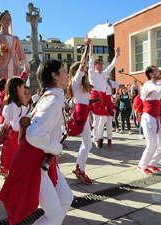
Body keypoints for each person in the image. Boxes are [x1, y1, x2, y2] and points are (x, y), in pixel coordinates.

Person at [0, 60, 73, 225]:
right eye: (63, 70)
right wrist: (57, 147)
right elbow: (34, 134)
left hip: (43, 158)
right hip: (35, 162)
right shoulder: (52, 101)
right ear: (54, 75)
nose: (67, 74)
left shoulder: (49, 98)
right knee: (53, 214)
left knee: (67, 198)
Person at [0, 10, 28, 131]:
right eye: (5, 19)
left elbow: (21, 55)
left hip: (15, 67)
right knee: (1, 96)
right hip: (1, 68)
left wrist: (25, 65)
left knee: (16, 92)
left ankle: (18, 121)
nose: (7, 21)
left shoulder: (15, 38)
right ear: (0, 21)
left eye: (9, 19)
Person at [67, 38, 93, 184]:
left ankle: (79, 168)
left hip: (84, 113)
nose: (86, 71)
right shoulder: (77, 81)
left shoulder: (82, 85)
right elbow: (83, 65)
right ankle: (80, 168)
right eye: (83, 70)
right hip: (80, 114)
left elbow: (85, 101)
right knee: (87, 144)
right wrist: (86, 48)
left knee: (87, 144)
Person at [89, 45, 120, 149]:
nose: (101, 65)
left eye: (101, 64)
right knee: (96, 120)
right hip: (95, 97)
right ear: (95, 65)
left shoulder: (104, 74)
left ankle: (100, 138)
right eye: (98, 64)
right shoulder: (92, 74)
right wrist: (91, 49)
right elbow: (90, 63)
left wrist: (116, 55)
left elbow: (111, 66)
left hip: (102, 98)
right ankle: (96, 139)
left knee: (102, 119)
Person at [0, 77, 29, 177]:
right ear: (17, 87)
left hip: (16, 135)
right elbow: (15, 125)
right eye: (23, 86)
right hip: (13, 136)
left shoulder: (16, 104)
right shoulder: (12, 106)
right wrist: (27, 121)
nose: (24, 89)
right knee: (13, 158)